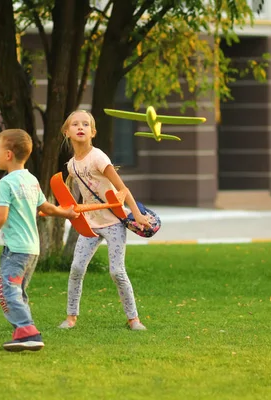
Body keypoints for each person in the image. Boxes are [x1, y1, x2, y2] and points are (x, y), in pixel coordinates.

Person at [0, 129, 78, 352]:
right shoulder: (31, 180)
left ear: (8, 155)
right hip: (33, 249)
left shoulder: (5, 183)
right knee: (19, 291)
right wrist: (67, 213)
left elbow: (1, 216)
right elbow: (46, 208)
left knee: (8, 291)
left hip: (15, 250)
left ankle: (28, 331)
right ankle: (22, 333)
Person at [58, 110, 151, 331]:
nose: (80, 127)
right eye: (75, 124)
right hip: (90, 224)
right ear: (66, 131)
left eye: (86, 124)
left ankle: (133, 320)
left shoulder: (98, 157)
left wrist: (136, 214)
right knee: (77, 268)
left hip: (113, 222)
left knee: (116, 271)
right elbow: (73, 191)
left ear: (93, 132)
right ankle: (71, 318)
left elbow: (121, 187)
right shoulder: (71, 165)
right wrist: (69, 208)